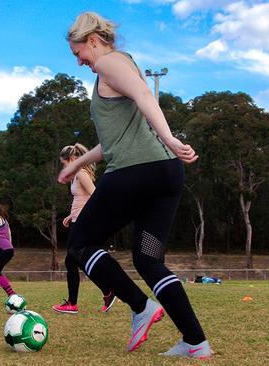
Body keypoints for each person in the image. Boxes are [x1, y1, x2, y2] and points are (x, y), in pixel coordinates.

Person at [59, 11, 211, 359]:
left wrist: (171, 138)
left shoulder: (110, 63)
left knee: (81, 245)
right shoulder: (116, 68)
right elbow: (112, 142)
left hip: (135, 173)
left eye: (77, 52)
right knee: (148, 260)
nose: (79, 61)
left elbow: (145, 95)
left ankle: (141, 307)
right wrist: (78, 163)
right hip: (163, 175)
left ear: (93, 41)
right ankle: (195, 342)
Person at [52, 143, 117, 314]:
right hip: (77, 220)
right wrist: (70, 215)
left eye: (65, 163)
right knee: (76, 261)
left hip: (84, 222)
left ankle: (73, 304)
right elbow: (81, 199)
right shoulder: (75, 175)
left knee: (72, 260)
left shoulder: (81, 173)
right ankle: (107, 292)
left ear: (72, 159)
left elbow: (96, 196)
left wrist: (87, 218)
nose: (64, 167)